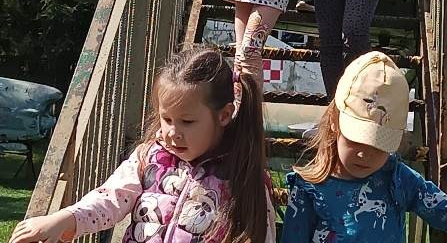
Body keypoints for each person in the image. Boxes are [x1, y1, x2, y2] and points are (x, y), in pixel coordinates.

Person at [11, 47, 276, 243]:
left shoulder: (244, 176)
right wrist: (66, 219)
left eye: (187, 122)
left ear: (224, 115)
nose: (173, 133)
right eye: (166, 119)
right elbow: (110, 199)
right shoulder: (150, 157)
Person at [281, 51, 447, 243]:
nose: (364, 153)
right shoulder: (308, 189)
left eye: (378, 145)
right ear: (335, 122)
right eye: (355, 139)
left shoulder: (398, 179)